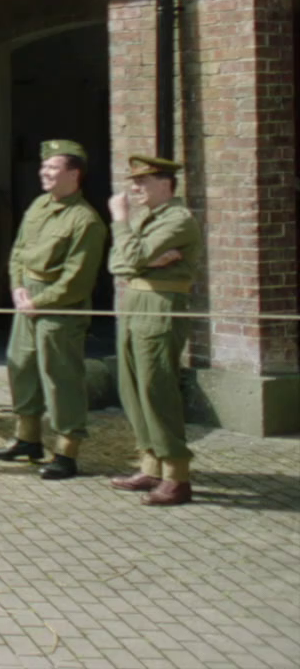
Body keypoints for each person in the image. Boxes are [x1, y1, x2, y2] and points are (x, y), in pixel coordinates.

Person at [0, 139, 109, 480]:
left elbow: (77, 280)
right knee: (21, 367)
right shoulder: (38, 206)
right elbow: (18, 251)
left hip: (59, 310)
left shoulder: (86, 221)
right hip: (26, 301)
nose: (44, 173)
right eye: (43, 167)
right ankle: (27, 439)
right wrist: (17, 288)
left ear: (74, 174)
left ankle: (66, 452)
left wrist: (38, 302)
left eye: (53, 168)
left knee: (60, 379)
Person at [107, 155, 203, 506]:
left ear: (165, 183)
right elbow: (117, 263)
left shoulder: (178, 219)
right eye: (134, 182)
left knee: (157, 388)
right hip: (135, 303)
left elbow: (130, 258)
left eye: (142, 181)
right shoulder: (146, 219)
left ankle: (177, 476)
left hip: (160, 305)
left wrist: (120, 222)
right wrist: (146, 258)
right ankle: (151, 465)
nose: (135, 188)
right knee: (132, 387)